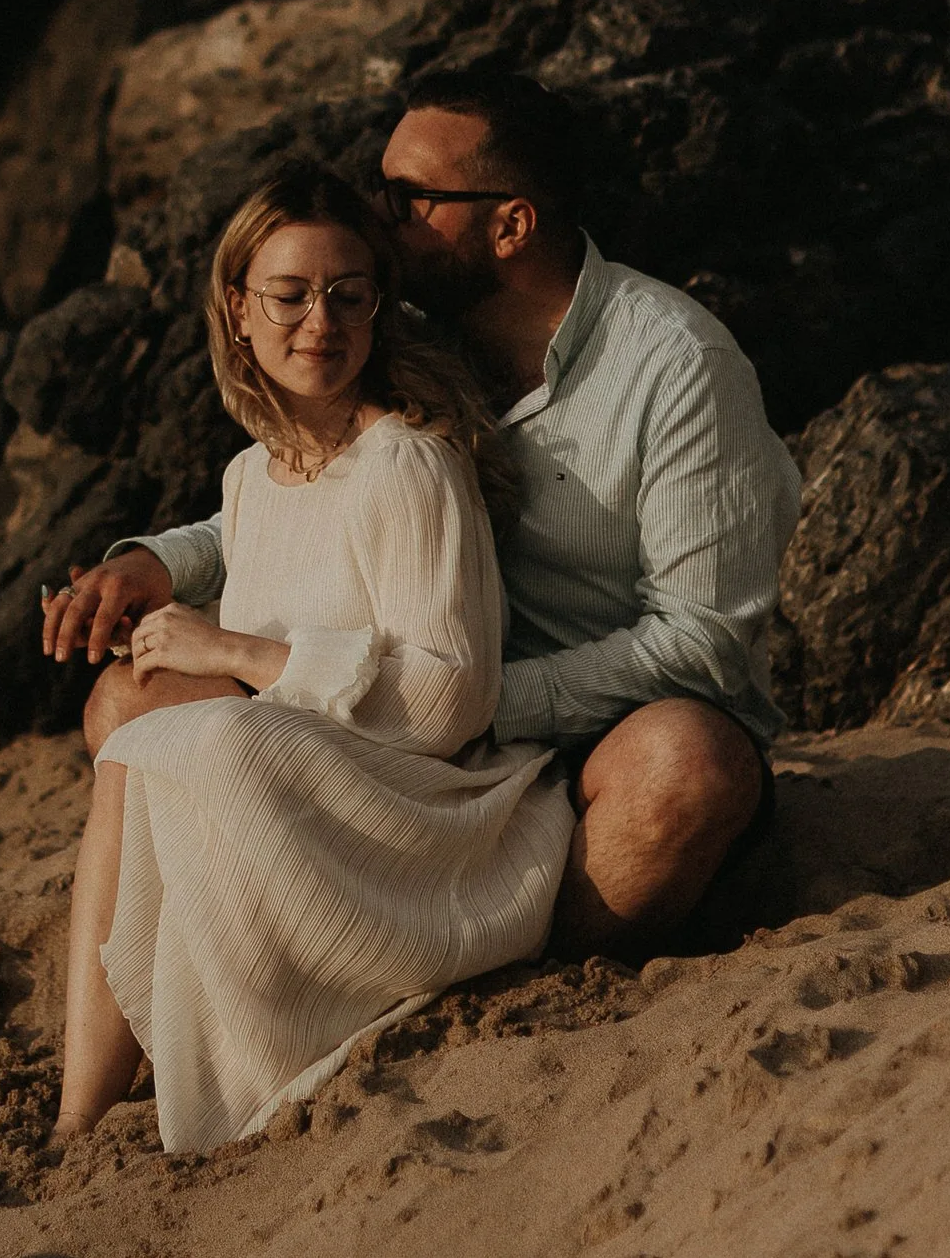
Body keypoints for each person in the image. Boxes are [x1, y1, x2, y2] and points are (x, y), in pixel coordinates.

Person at [57, 66, 799, 958]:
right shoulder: (402, 325)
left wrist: (478, 700)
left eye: (411, 199)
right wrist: (162, 563)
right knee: (133, 701)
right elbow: (322, 490)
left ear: (511, 224)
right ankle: (333, 956)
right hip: (416, 717)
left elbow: (703, 639)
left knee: (688, 770)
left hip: (579, 733)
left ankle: (530, 967)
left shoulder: (678, 368)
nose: (383, 223)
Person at [41, 157, 573, 1152]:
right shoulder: (251, 478)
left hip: (421, 819)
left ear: (380, 311)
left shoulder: (407, 462)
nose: (318, 324)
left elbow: (446, 704)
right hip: (320, 790)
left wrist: (234, 650)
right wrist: (189, 643)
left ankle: (125, 1095)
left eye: (347, 296)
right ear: (237, 309)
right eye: (288, 296)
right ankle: (78, 1116)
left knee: (201, 744)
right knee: (133, 714)